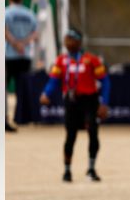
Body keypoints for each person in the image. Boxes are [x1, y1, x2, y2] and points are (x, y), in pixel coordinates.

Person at [40, 29, 110, 182]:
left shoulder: (91, 60)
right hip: (71, 101)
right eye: (66, 39)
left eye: (71, 39)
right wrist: (46, 93)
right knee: (70, 135)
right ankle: (67, 170)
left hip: (89, 101)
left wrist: (104, 103)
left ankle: (91, 169)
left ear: (79, 42)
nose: (68, 42)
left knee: (93, 131)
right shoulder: (61, 60)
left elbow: (105, 81)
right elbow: (54, 79)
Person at [5, 0, 39, 132]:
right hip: (24, 56)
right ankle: (21, 117)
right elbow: (36, 34)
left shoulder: (6, 13)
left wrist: (15, 44)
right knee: (22, 88)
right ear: (21, 0)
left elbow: (4, 31)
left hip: (8, 55)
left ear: (10, 0)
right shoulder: (30, 14)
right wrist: (23, 44)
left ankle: (4, 118)